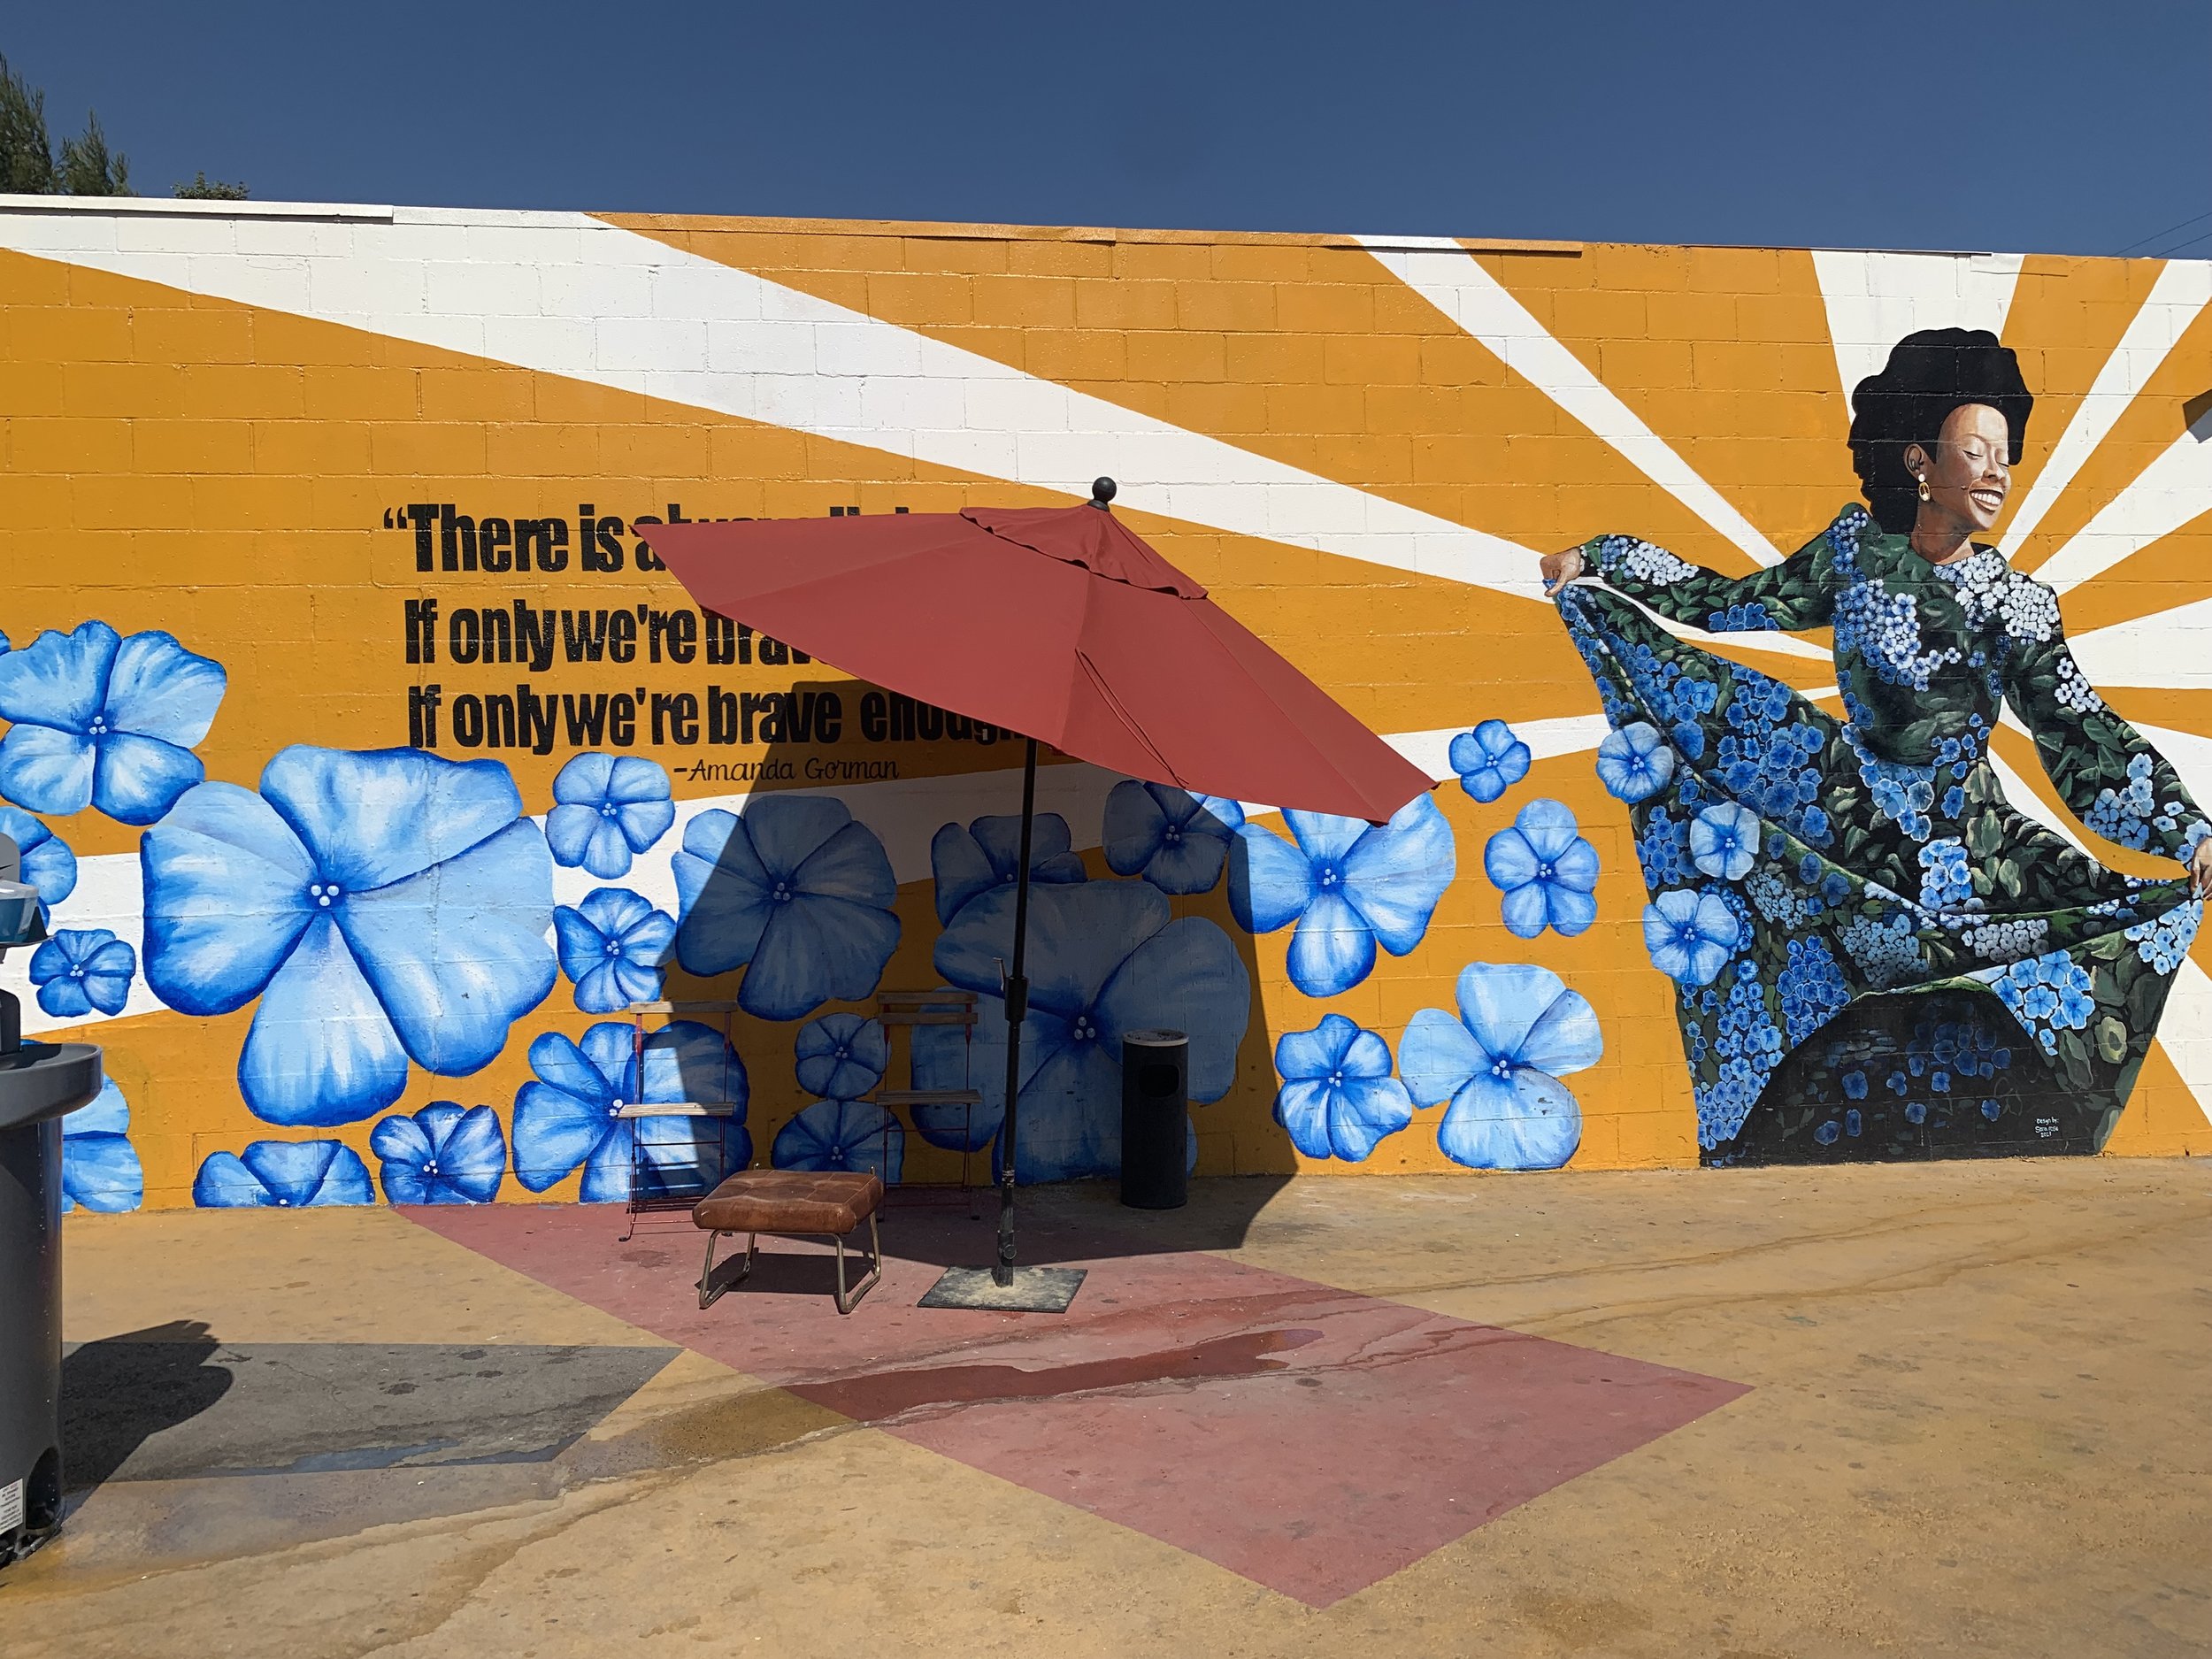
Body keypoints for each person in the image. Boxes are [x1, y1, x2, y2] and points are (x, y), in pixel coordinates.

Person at [1542, 327, 2210, 1162]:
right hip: (1846, 828)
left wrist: (2187, 830)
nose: (1999, 472)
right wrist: (1602, 558)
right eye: (1976, 450)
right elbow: (1727, 603)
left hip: (1975, 858)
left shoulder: (2019, 606)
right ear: (1919, 463)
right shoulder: (1852, 555)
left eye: (2007, 453)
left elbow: (2080, 733)